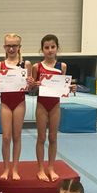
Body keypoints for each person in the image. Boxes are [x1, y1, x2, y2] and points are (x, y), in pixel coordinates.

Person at [32, 34, 75, 183]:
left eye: (52, 47)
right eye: (46, 47)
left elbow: (62, 87)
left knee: (53, 137)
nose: (50, 50)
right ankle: (40, 168)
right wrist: (35, 85)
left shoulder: (62, 66)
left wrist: (70, 88)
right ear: (42, 49)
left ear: (57, 48)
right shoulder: (37, 67)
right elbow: (31, 89)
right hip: (42, 105)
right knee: (41, 137)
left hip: (55, 105)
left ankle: (51, 167)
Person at [0, 33, 33, 180]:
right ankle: (6, 168)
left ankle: (15, 169)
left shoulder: (25, 64)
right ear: (4, 47)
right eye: (8, 46)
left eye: (14, 46)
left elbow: (30, 88)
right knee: (6, 137)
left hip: (19, 103)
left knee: (17, 136)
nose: (11, 49)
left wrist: (30, 83)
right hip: (5, 103)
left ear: (19, 47)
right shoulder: (0, 65)